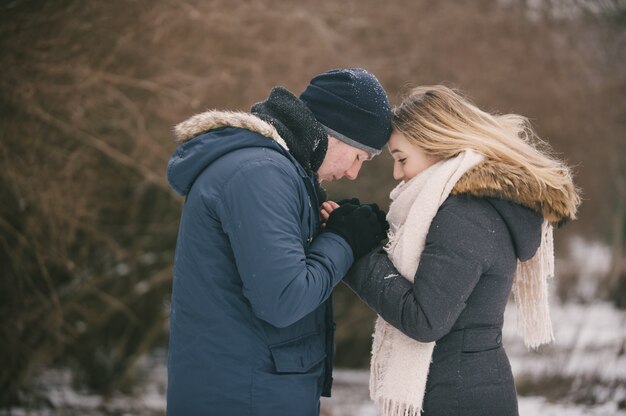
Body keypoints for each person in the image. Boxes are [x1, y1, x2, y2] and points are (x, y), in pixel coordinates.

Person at [321, 85, 580, 416]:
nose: (397, 174)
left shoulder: (466, 214)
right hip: (463, 390)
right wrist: (368, 235)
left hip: (459, 399)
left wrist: (357, 252)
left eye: (401, 159)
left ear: (436, 145)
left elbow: (425, 318)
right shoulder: (467, 207)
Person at [165, 68, 391, 416]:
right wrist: (344, 241)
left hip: (251, 389)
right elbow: (284, 299)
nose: (352, 174)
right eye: (359, 157)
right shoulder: (260, 173)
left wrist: (328, 230)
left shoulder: (273, 170)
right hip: (244, 397)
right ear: (336, 135)